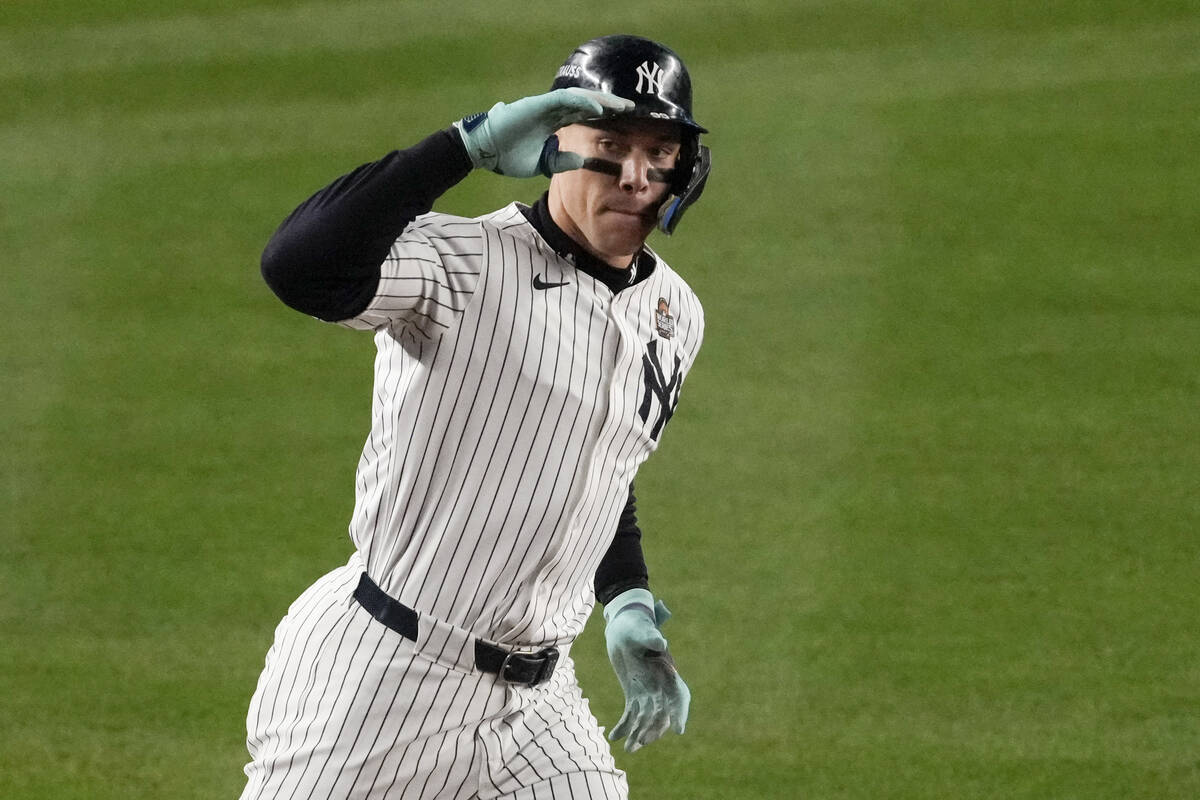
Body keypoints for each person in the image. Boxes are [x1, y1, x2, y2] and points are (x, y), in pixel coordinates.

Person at [240, 34, 712, 800]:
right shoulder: (461, 263)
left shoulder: (675, 312)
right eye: (611, 145)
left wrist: (625, 596)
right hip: (383, 680)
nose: (636, 176)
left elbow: (599, 459)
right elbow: (297, 267)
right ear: (556, 142)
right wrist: (464, 145)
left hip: (539, 703)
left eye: (659, 151)